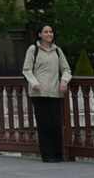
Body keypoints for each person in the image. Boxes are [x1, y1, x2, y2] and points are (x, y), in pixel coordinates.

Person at [22, 25, 71, 163]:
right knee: (43, 124)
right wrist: (34, 83)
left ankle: (58, 154)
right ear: (39, 34)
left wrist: (64, 81)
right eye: (45, 32)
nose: (48, 34)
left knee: (56, 123)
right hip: (39, 92)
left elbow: (66, 69)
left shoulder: (57, 51)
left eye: (50, 32)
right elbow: (26, 69)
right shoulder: (33, 50)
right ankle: (47, 155)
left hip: (55, 92)